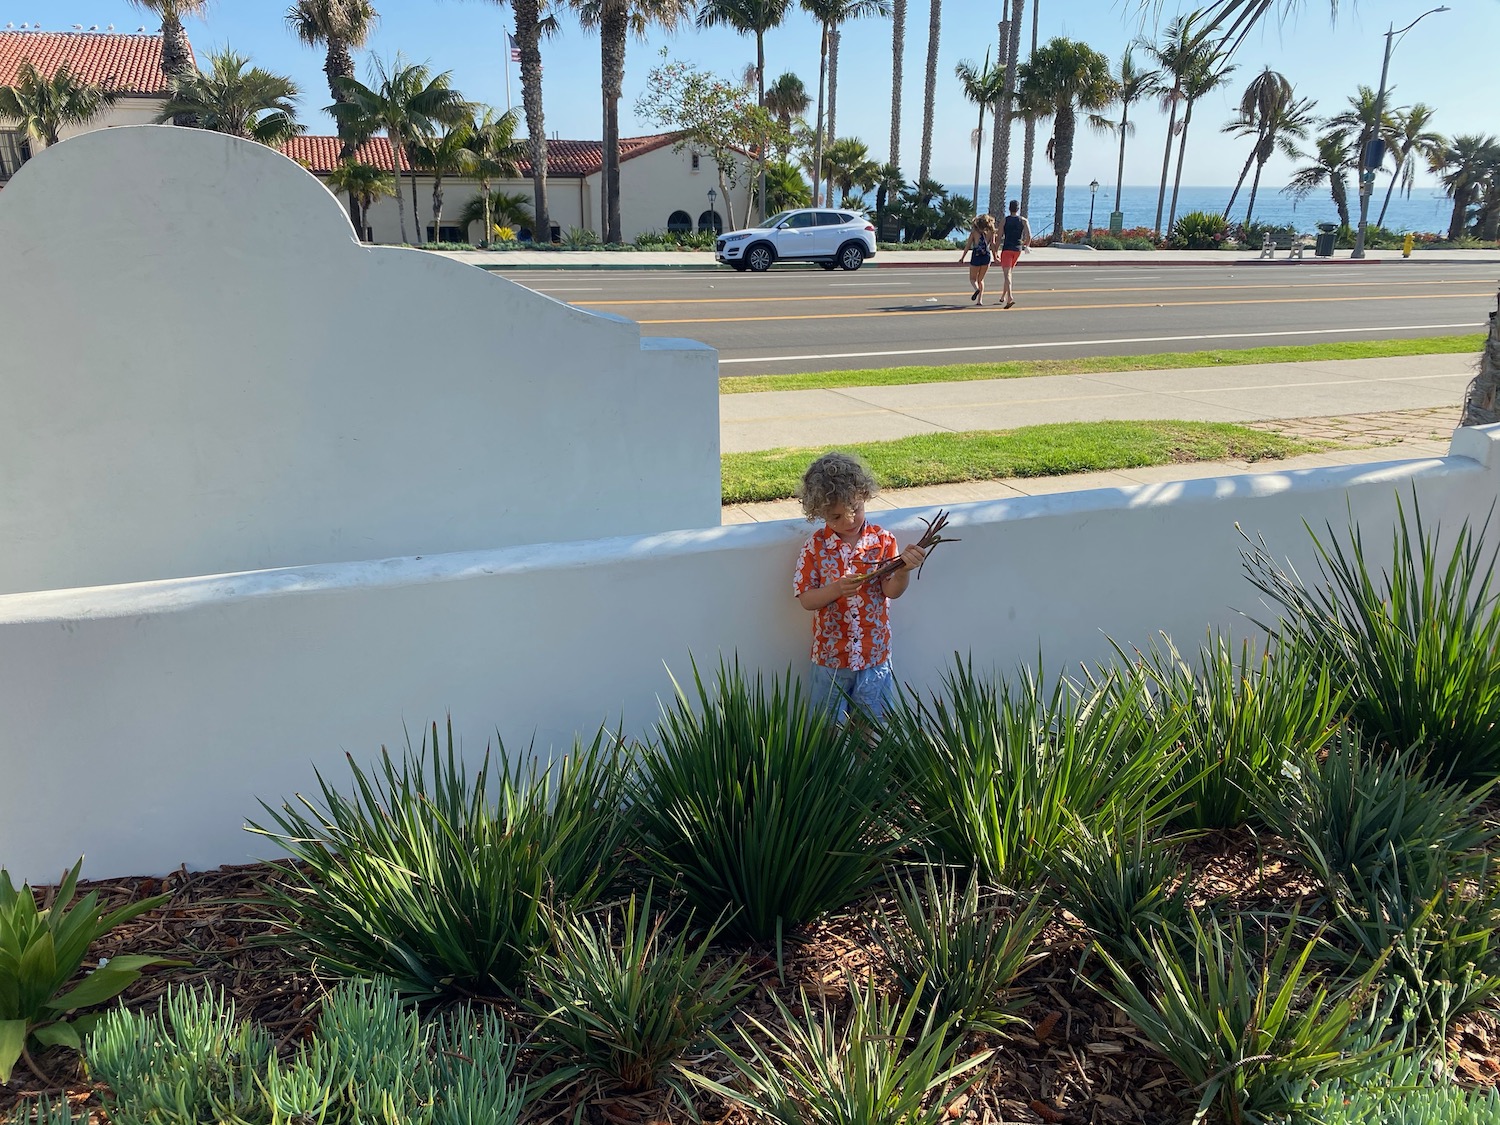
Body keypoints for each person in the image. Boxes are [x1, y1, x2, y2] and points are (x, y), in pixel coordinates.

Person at [793, 452, 928, 725]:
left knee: (873, 727)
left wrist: (902, 570)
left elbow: (891, 591)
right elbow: (806, 598)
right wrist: (836, 589)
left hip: (874, 655)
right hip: (831, 658)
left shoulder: (882, 540)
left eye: (855, 508)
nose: (849, 520)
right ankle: (831, 770)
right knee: (827, 728)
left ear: (864, 496)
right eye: (836, 516)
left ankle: (870, 767)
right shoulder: (815, 547)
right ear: (819, 513)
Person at [998, 199, 1032, 309]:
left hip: (1007, 248)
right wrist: (1025, 245)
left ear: (1009, 208)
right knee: (1009, 273)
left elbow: (999, 236)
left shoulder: (1005, 220)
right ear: (1018, 209)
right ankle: (1003, 296)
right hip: (1017, 249)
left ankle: (1010, 297)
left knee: (1007, 274)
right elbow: (1029, 236)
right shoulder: (1023, 221)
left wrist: (995, 250)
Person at [958, 214, 996, 305]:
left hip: (976, 256)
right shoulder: (991, 232)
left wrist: (962, 257)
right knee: (981, 280)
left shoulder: (974, 232)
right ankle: (980, 300)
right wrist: (996, 257)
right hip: (986, 256)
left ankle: (976, 289)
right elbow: (993, 245)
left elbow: (968, 246)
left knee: (972, 279)